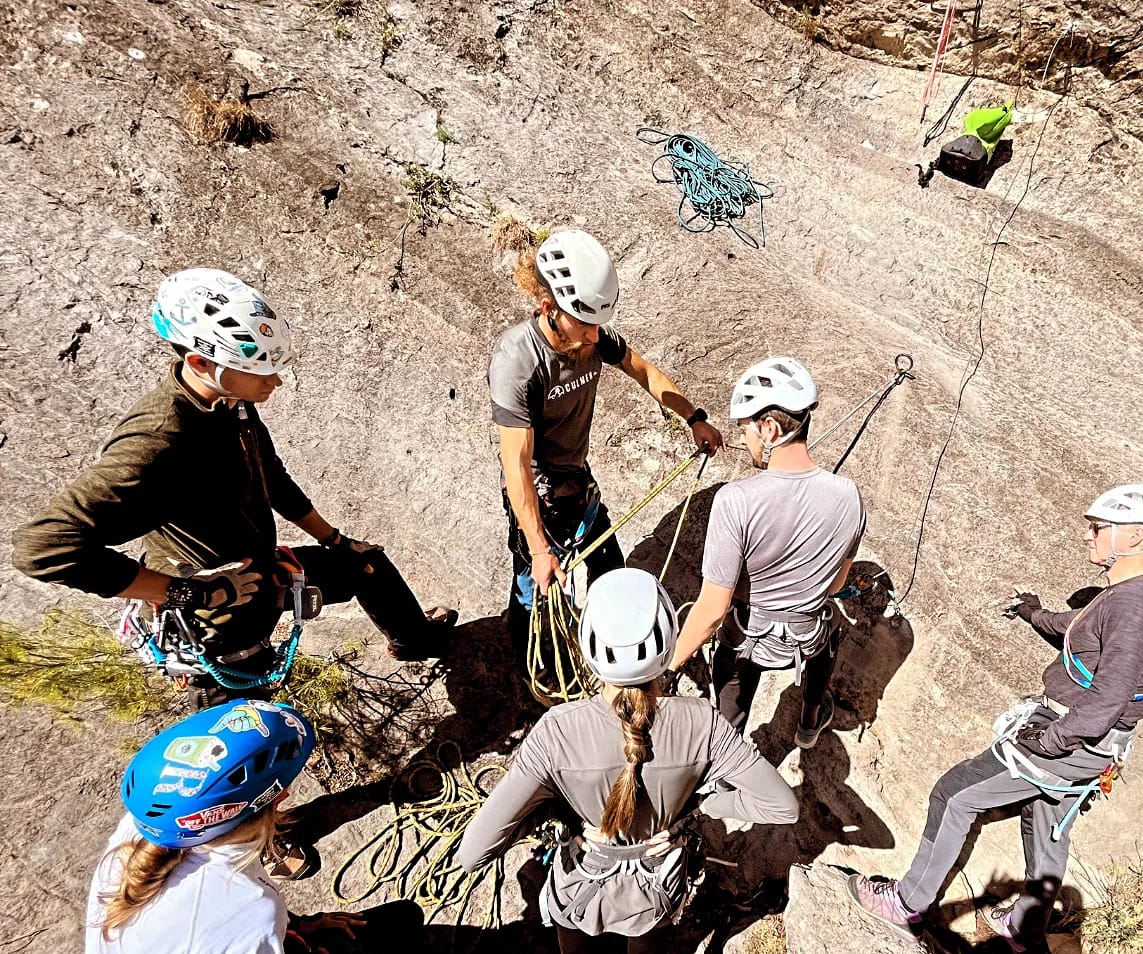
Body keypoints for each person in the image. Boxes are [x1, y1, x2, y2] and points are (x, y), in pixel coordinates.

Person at [12, 269, 455, 711]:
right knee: (257, 737)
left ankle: (415, 642)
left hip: (254, 576)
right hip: (214, 621)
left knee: (365, 565)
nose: (274, 382)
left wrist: (334, 540)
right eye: (258, 371)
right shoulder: (158, 442)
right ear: (200, 362)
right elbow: (44, 547)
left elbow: (269, 474)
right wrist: (191, 593)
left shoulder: (228, 401)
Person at [457, 568, 798, 954]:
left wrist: (555, 820)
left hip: (582, 883)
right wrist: (703, 808)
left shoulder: (557, 732)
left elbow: (472, 852)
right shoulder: (701, 723)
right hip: (655, 884)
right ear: (667, 643)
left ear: (587, 646)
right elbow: (782, 807)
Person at [848, 485, 1143, 954]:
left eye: (1098, 528)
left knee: (955, 794)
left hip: (1069, 737)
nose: (1088, 535)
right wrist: (1032, 613)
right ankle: (1025, 934)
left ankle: (907, 904)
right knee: (1047, 822)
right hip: (1098, 748)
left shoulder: (1132, 607)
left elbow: (1109, 697)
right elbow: (1077, 630)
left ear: (1132, 537)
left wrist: (1051, 739)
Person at [65, 699, 374, 954]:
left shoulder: (140, 831)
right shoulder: (244, 909)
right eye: (284, 789)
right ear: (275, 799)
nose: (287, 795)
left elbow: (197, 929)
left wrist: (292, 928)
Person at [488, 230, 723, 664]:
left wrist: (693, 417)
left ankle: (620, 651)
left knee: (610, 570)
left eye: (598, 325)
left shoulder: (592, 337)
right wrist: (539, 549)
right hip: (536, 491)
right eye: (585, 325)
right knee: (535, 589)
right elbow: (516, 464)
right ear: (549, 309)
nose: (595, 337)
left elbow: (643, 370)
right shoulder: (517, 361)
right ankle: (532, 669)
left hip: (576, 476)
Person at [665, 357, 866, 746]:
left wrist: (666, 668)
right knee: (830, 629)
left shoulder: (736, 500)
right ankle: (809, 720)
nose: (743, 440)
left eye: (746, 430)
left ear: (770, 429)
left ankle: (723, 768)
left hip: (746, 637)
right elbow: (836, 583)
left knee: (729, 692)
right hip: (807, 634)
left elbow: (711, 611)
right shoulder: (849, 496)